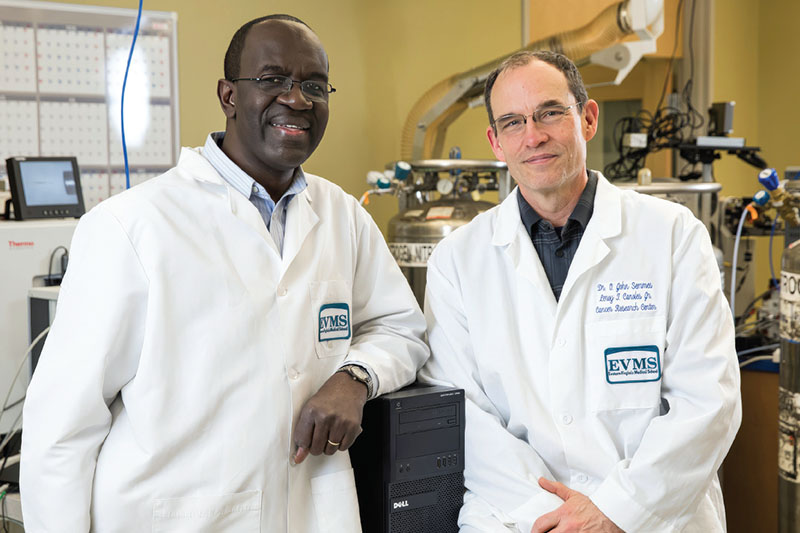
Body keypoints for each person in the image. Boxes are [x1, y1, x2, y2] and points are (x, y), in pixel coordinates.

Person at [21, 15, 428, 532]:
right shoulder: (131, 226)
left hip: (311, 513)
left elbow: (400, 328)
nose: (297, 99)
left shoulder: (342, 215)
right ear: (229, 94)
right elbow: (60, 428)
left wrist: (353, 378)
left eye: (313, 85)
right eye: (272, 79)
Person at [419, 50, 741, 533]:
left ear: (587, 119)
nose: (534, 136)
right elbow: (463, 415)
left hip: (655, 517)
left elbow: (707, 401)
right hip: (518, 517)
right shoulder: (458, 259)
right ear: (496, 142)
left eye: (550, 112)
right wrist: (556, 519)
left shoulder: (672, 235)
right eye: (512, 122)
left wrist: (617, 510)